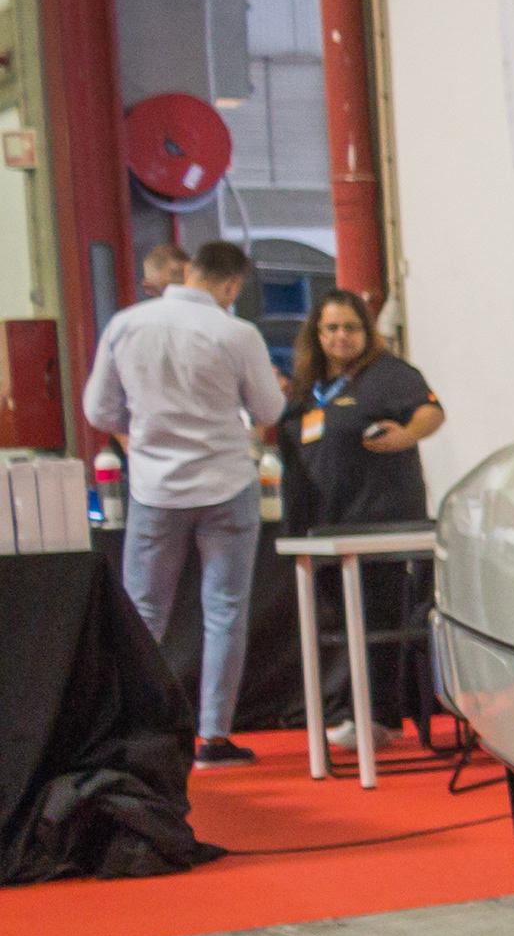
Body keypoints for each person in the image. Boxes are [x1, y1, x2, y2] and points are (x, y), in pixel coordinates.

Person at [81, 236, 285, 765]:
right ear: (232, 285)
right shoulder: (237, 333)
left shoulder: (125, 325)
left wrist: (143, 433)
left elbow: (99, 411)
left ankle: (135, 732)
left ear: (189, 271)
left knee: (144, 611)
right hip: (226, 483)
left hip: (154, 486)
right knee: (225, 611)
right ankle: (213, 737)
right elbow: (268, 409)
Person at [278, 287, 445, 751]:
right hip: (322, 526)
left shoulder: (389, 375)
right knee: (340, 624)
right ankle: (353, 712)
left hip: (379, 522)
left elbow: (432, 413)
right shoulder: (308, 386)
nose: (341, 337)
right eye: (331, 328)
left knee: (377, 619)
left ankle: (379, 718)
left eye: (350, 328)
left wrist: (405, 435)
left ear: (366, 332)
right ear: (317, 333)